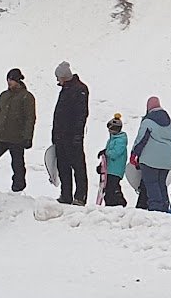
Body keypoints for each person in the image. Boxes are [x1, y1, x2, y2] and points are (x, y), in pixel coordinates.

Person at [0, 67, 36, 192]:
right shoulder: (4, 95)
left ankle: (18, 187)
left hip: (17, 138)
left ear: (18, 81)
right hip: (0, 136)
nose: (9, 82)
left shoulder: (27, 97)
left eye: (12, 80)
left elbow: (30, 119)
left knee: (17, 164)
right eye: (8, 79)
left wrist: (28, 137)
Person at [50, 61, 91, 205]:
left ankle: (80, 197)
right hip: (61, 136)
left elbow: (81, 115)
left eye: (58, 77)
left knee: (78, 167)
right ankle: (65, 195)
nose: (57, 81)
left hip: (72, 136)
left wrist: (77, 135)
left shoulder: (80, 89)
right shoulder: (67, 89)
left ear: (64, 77)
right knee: (63, 167)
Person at [131, 96, 171, 212]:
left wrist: (134, 154)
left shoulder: (148, 121)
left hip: (150, 160)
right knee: (161, 185)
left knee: (152, 184)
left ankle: (156, 209)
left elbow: (141, 139)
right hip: (166, 161)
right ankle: (165, 208)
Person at [99, 114, 129, 206]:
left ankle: (118, 202)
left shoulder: (121, 140)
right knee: (110, 187)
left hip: (115, 170)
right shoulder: (112, 140)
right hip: (110, 169)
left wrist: (106, 152)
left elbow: (115, 153)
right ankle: (113, 202)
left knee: (112, 188)